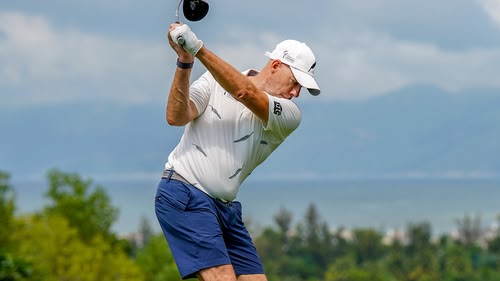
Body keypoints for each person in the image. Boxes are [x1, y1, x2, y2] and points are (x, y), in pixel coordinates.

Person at [155, 22, 321, 281]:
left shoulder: (290, 114)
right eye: (295, 82)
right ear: (276, 66)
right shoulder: (213, 79)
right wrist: (185, 62)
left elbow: (244, 92)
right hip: (185, 193)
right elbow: (176, 116)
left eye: (302, 88)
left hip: (225, 209)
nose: (296, 93)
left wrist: (197, 48)